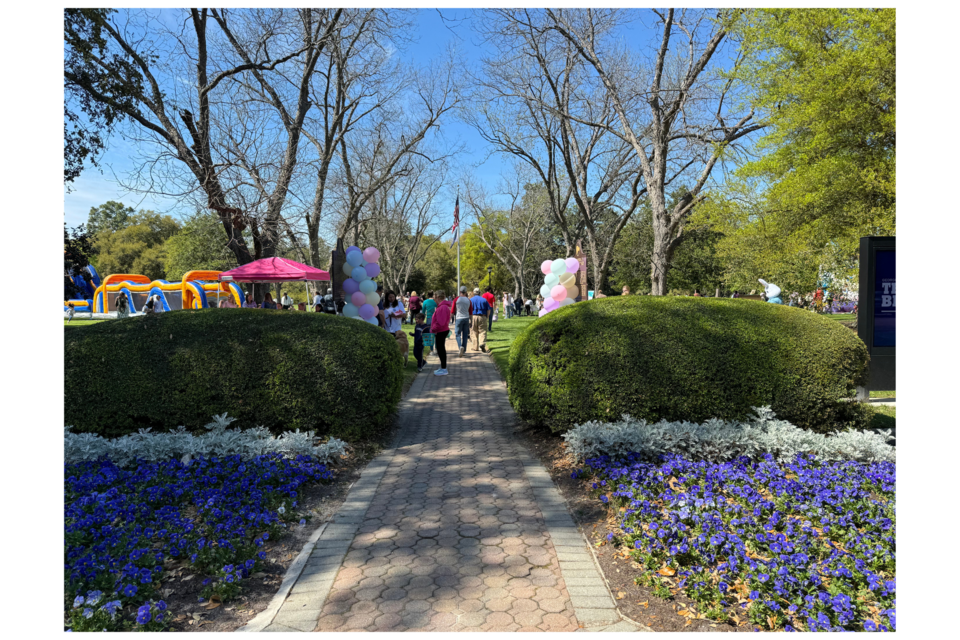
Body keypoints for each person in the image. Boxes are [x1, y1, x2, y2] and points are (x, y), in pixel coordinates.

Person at [430, 290, 452, 375]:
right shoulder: (442, 306)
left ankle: (444, 368)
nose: (434, 300)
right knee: (440, 349)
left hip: (441, 330)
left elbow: (441, 322)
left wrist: (433, 329)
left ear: (438, 297)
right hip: (441, 330)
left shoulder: (442, 307)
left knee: (441, 350)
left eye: (435, 298)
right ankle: (443, 367)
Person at [469, 287, 490, 353]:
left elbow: (468, 309)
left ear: (473, 293)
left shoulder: (470, 300)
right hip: (482, 316)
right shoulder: (484, 300)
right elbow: (488, 309)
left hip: (473, 316)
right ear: (480, 292)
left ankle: (475, 347)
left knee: (474, 331)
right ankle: (482, 343)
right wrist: (487, 317)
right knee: (482, 331)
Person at [454, 285, 472, 357]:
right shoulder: (468, 300)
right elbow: (470, 312)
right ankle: (464, 350)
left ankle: (460, 347)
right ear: (466, 292)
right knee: (465, 335)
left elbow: (452, 310)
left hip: (459, 318)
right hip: (466, 318)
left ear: (460, 291)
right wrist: (472, 321)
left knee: (457, 334)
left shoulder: (456, 299)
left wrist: (449, 320)